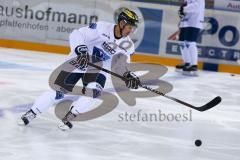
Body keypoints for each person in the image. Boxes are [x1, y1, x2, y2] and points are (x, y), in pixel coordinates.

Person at [18, 8, 140, 131]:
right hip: (80, 61)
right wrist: (81, 51)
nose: (131, 30)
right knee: (58, 91)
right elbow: (77, 34)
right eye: (129, 27)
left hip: (99, 69)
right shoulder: (101, 28)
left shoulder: (128, 45)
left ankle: (70, 116)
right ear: (121, 23)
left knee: (94, 92)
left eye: (133, 28)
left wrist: (128, 74)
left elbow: (121, 64)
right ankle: (32, 112)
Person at [175, 0, 205, 76]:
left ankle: (194, 65)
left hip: (195, 21)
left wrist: (184, 9)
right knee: (182, 42)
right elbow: (185, 5)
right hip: (186, 20)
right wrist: (182, 11)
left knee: (190, 42)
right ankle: (187, 62)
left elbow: (196, 6)